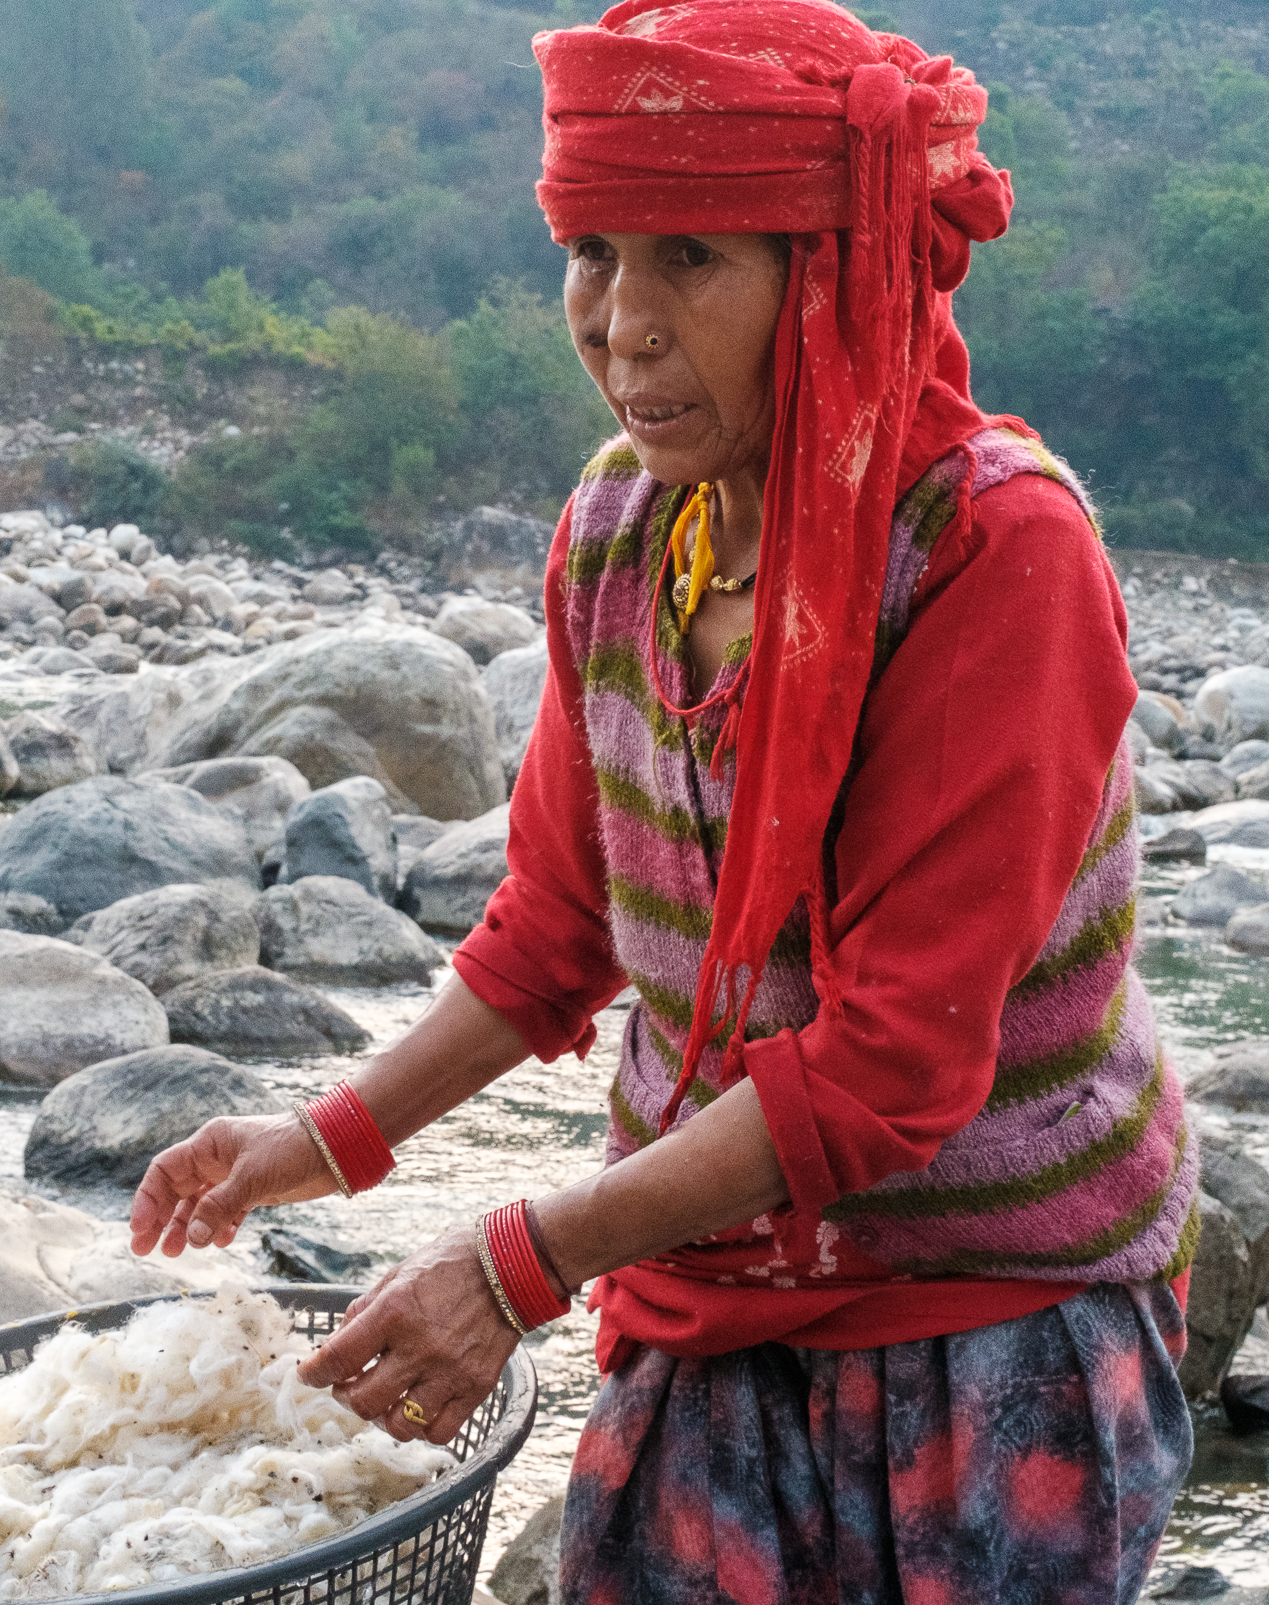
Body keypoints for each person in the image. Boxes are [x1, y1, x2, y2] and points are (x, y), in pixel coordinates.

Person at [130, 2, 1198, 1599]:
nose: (622, 324)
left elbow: (892, 1064)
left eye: (690, 259)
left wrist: (517, 1261)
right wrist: (323, 1137)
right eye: (593, 254)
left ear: (826, 274)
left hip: (985, 1328)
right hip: (705, 1290)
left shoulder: (992, 558)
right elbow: (560, 927)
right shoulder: (625, 531)